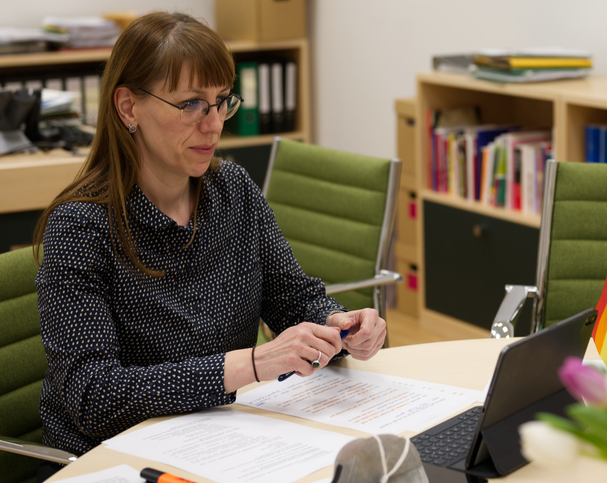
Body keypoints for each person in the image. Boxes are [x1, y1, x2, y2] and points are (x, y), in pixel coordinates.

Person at [32, 10, 386, 464]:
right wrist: (253, 364)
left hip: (223, 439)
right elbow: (94, 397)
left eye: (222, 101)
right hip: (119, 461)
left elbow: (293, 299)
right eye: (191, 104)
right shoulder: (82, 228)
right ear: (128, 107)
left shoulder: (233, 190)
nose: (215, 123)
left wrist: (338, 324)